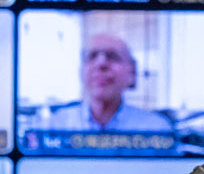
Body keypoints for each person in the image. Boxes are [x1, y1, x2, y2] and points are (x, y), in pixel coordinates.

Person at [40, 34, 174, 134]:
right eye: (92, 56)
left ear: (131, 72)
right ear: (81, 71)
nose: (101, 64)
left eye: (113, 56)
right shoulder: (54, 126)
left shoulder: (157, 128)